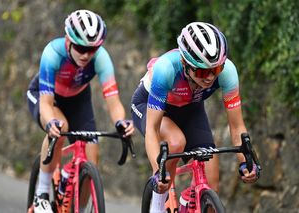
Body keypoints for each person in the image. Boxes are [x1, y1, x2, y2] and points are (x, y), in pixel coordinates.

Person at [131, 22, 260, 213]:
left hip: (190, 109)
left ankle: (187, 203)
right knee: (175, 142)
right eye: (201, 71)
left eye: (215, 70)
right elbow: (152, 129)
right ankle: (157, 206)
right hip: (150, 106)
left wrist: (246, 162)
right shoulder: (166, 69)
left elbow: (237, 126)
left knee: (211, 177)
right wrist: (159, 172)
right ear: (185, 63)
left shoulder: (228, 72)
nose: (209, 78)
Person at [26, 9, 134, 213]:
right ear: (68, 40)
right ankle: (41, 194)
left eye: (92, 49)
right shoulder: (53, 53)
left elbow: (113, 100)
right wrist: (50, 123)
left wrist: (121, 122)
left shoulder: (101, 57)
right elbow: (47, 105)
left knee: (91, 156)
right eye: (81, 48)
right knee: (60, 128)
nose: (86, 55)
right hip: (46, 97)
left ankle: (79, 208)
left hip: (78, 99)